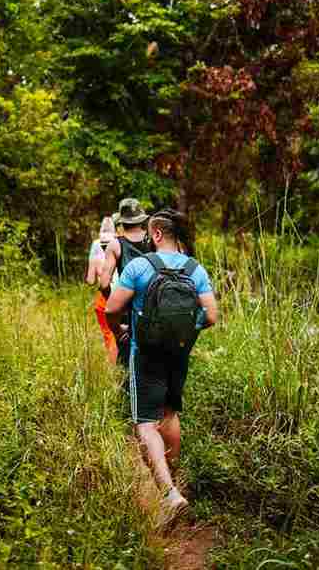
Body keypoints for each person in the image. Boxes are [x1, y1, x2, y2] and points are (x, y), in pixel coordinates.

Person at [105, 209, 218, 525]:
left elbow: (112, 308)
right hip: (178, 353)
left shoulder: (140, 266)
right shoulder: (196, 269)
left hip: (146, 353)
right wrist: (185, 333)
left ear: (155, 234)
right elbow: (210, 316)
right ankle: (175, 478)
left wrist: (121, 331)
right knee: (169, 413)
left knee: (144, 422)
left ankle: (169, 494)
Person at [100, 198, 150, 367]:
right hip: (157, 307)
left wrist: (115, 304)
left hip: (130, 311)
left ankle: (128, 392)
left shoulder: (115, 245)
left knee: (128, 362)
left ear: (122, 222)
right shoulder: (154, 241)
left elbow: (104, 283)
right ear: (142, 219)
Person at [86, 217, 118, 364]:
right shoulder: (119, 245)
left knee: (108, 334)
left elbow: (90, 280)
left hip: (104, 299)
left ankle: (113, 369)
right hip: (121, 296)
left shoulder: (95, 250)